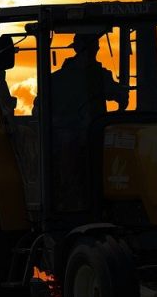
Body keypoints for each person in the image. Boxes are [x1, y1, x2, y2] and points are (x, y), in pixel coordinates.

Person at [49, 31, 128, 212]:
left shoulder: (101, 76)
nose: (96, 51)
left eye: (96, 48)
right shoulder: (58, 80)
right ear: (83, 50)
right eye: (93, 47)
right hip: (67, 137)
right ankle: (70, 201)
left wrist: (121, 95)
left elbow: (121, 98)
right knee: (70, 151)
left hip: (95, 135)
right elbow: (40, 110)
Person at [51, 32, 128, 127]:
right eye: (93, 47)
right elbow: (122, 98)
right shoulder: (101, 76)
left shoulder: (56, 78)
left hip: (74, 135)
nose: (95, 50)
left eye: (94, 47)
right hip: (85, 135)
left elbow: (121, 96)